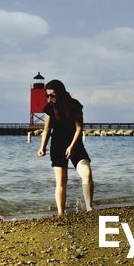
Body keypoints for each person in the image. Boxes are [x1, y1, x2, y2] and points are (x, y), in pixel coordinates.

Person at [36, 79, 94, 215]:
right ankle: (61, 213)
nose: (50, 98)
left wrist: (72, 147)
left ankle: (89, 208)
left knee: (87, 173)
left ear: (61, 93)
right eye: (47, 96)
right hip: (57, 145)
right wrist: (42, 147)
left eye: (53, 95)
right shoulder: (49, 108)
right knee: (61, 182)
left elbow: (79, 129)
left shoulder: (74, 105)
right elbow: (47, 129)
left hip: (75, 144)